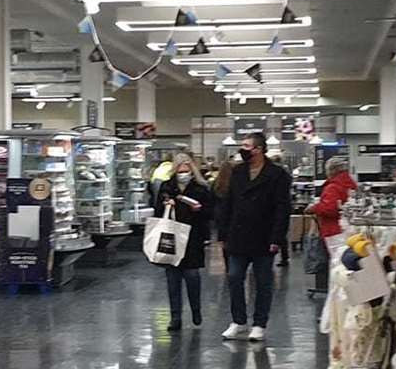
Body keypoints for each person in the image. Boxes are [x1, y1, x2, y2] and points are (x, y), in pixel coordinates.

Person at [214, 132, 293, 342]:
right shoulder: (238, 172)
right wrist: (223, 232)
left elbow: (282, 208)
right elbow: (228, 203)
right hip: (237, 235)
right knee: (234, 277)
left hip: (264, 236)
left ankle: (259, 323)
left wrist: (277, 237)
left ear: (258, 149)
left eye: (247, 146)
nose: (243, 149)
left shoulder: (277, 174)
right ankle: (238, 321)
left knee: (263, 281)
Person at [150, 152, 215, 330]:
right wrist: (166, 205)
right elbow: (157, 212)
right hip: (171, 236)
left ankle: (196, 310)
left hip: (193, 237)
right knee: (172, 279)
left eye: (186, 170)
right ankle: (175, 317)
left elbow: (210, 213)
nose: (183, 174)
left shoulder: (201, 188)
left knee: (192, 276)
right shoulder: (166, 187)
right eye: (180, 170)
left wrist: (199, 210)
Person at [309, 157, 359, 258]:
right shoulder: (351, 184)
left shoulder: (332, 187)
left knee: (336, 261)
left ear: (332, 170)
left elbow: (330, 209)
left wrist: (314, 208)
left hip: (333, 230)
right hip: (348, 229)